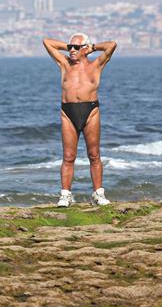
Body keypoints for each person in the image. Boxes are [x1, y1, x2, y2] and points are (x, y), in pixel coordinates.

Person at [42, 33, 117, 207]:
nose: (72, 50)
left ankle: (98, 194)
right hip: (68, 112)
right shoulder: (64, 63)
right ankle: (65, 195)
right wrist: (69, 47)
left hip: (90, 111)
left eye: (76, 47)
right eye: (70, 47)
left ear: (85, 48)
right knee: (68, 156)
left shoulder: (96, 65)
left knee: (94, 155)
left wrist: (92, 47)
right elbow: (47, 42)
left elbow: (112, 45)